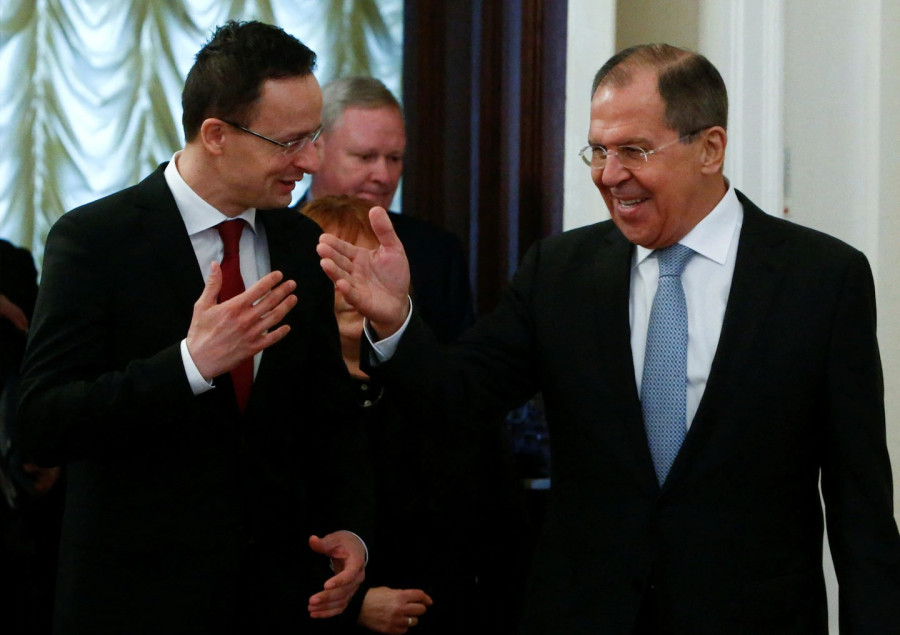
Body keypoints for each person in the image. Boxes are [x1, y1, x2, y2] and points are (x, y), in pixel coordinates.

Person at [316, 43, 900, 634]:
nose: (609, 174)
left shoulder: (821, 279)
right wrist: (396, 320)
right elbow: (457, 397)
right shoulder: (559, 272)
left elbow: (861, 502)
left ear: (710, 148)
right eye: (598, 150)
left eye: (634, 150)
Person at [16, 21, 373, 634]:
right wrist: (189, 366)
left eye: (315, 137)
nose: (312, 162)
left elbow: (330, 418)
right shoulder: (95, 241)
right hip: (137, 602)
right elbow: (41, 423)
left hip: (277, 601)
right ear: (216, 136)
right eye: (290, 142)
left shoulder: (300, 241)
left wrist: (352, 528)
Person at [303, 196, 528, 635]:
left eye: (368, 266)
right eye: (336, 267)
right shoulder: (277, 394)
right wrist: (356, 605)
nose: (351, 286)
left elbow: (501, 533)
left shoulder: (443, 385)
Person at [300, 76, 473, 343]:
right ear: (316, 150)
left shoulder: (437, 253)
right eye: (365, 157)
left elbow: (455, 360)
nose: (384, 176)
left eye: (394, 158)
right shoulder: (274, 236)